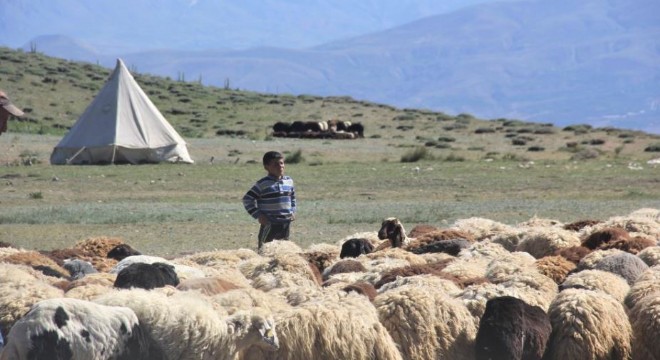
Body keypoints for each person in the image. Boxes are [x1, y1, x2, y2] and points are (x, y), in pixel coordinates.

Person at [242, 151, 296, 249]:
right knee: (265, 250)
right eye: (275, 164)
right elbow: (247, 199)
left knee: (284, 251)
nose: (280, 166)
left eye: (281, 163)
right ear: (266, 167)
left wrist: (292, 211)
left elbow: (292, 197)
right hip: (270, 223)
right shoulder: (263, 184)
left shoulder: (288, 181)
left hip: (285, 222)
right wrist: (259, 215)